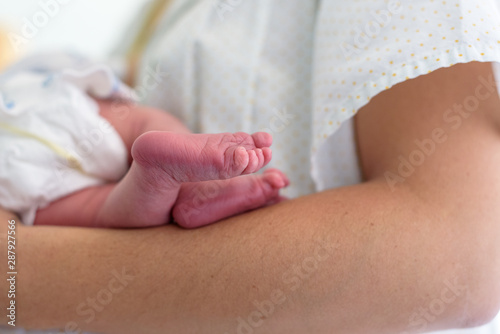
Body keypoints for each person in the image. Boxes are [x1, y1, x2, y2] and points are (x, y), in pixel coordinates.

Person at [2, 0, 500, 333]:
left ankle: (167, 172)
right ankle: (176, 171)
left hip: (39, 126)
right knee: (119, 147)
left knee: (89, 180)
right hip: (55, 114)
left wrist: (13, 273)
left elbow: (462, 252)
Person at [0, 56, 288, 229]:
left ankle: (154, 176)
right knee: (140, 123)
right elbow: (66, 63)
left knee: (102, 212)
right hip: (46, 108)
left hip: (16, 179)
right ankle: (193, 183)